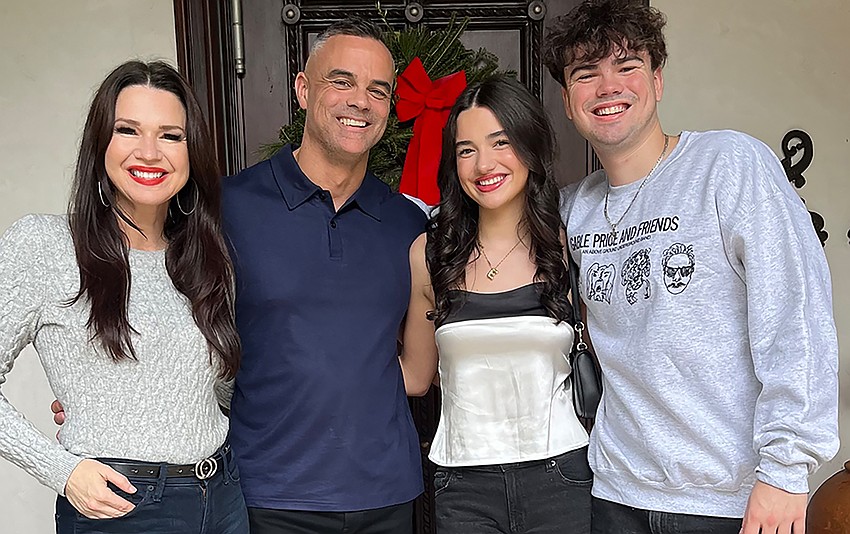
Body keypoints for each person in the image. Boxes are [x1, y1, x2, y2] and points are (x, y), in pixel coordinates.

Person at [542, 1, 839, 533]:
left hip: (731, 498)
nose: (608, 86)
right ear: (567, 100)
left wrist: (787, 471)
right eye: (586, 74)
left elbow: (796, 319)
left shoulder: (729, 165)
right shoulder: (574, 208)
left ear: (657, 80)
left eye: (627, 66)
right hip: (615, 493)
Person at [0, 60, 248, 533]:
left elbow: (213, 392)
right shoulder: (46, 245)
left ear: (192, 152)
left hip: (223, 497)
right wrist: (62, 470)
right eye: (128, 130)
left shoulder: (205, 259)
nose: (150, 152)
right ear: (100, 144)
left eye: (171, 135)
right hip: (123, 509)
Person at [220, 18, 426, 533]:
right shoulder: (229, 206)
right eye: (342, 81)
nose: (361, 100)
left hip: (389, 495)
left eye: (378, 90)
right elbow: (174, 322)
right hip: (271, 495)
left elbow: (417, 365)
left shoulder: (407, 223)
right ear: (303, 89)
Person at [400, 76, 592, 533]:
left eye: (500, 142)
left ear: (529, 146)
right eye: (466, 150)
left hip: (561, 475)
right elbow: (415, 377)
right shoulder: (429, 257)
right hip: (463, 485)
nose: (484, 164)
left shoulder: (571, 249)